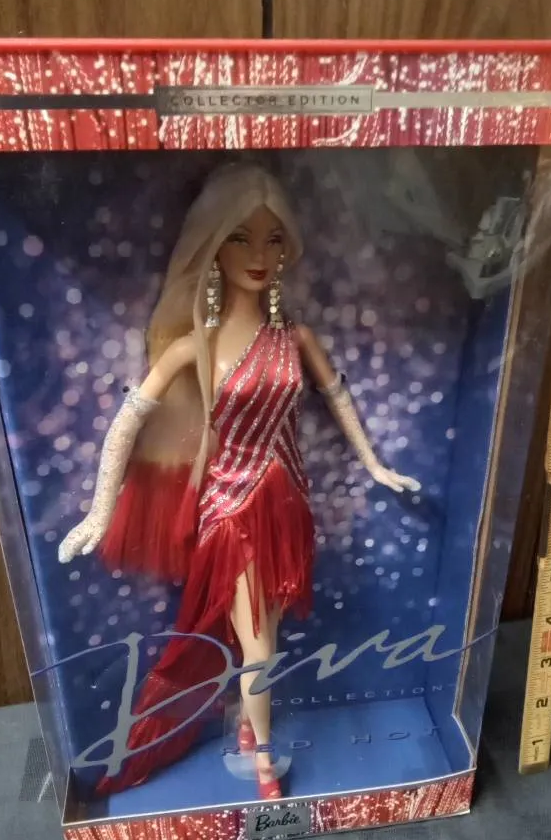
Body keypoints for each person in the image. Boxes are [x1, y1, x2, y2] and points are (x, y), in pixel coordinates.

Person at [59, 164, 419, 799]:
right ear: (213, 245)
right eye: (240, 238)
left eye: (273, 239)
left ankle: (251, 728)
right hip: (232, 508)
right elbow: (127, 424)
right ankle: (264, 761)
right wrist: (99, 510)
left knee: (266, 632)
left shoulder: (296, 338)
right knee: (259, 643)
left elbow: (337, 398)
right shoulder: (193, 347)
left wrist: (373, 464)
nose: (259, 254)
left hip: (289, 505)